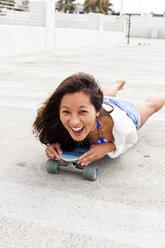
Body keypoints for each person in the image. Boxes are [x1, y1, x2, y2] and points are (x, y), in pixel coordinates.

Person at [33, 73, 165, 166]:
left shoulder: (120, 125)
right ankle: (118, 84)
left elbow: (130, 139)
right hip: (96, 102)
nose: (73, 122)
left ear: (97, 111)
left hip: (124, 111)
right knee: (101, 95)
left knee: (150, 106)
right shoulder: (60, 118)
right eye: (66, 111)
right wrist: (54, 143)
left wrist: (109, 146)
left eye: (82, 112)